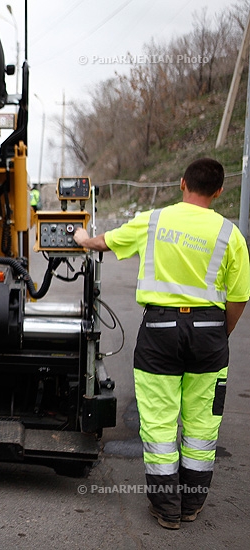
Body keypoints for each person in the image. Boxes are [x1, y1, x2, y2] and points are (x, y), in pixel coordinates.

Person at [74, 158, 249, 530]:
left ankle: (166, 508)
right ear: (219, 191)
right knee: (202, 425)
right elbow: (239, 297)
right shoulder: (229, 234)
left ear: (182, 183)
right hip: (210, 331)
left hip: (160, 330)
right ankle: (191, 505)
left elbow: (103, 242)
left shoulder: (154, 220)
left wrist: (80, 238)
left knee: (159, 422)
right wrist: (219, 333)